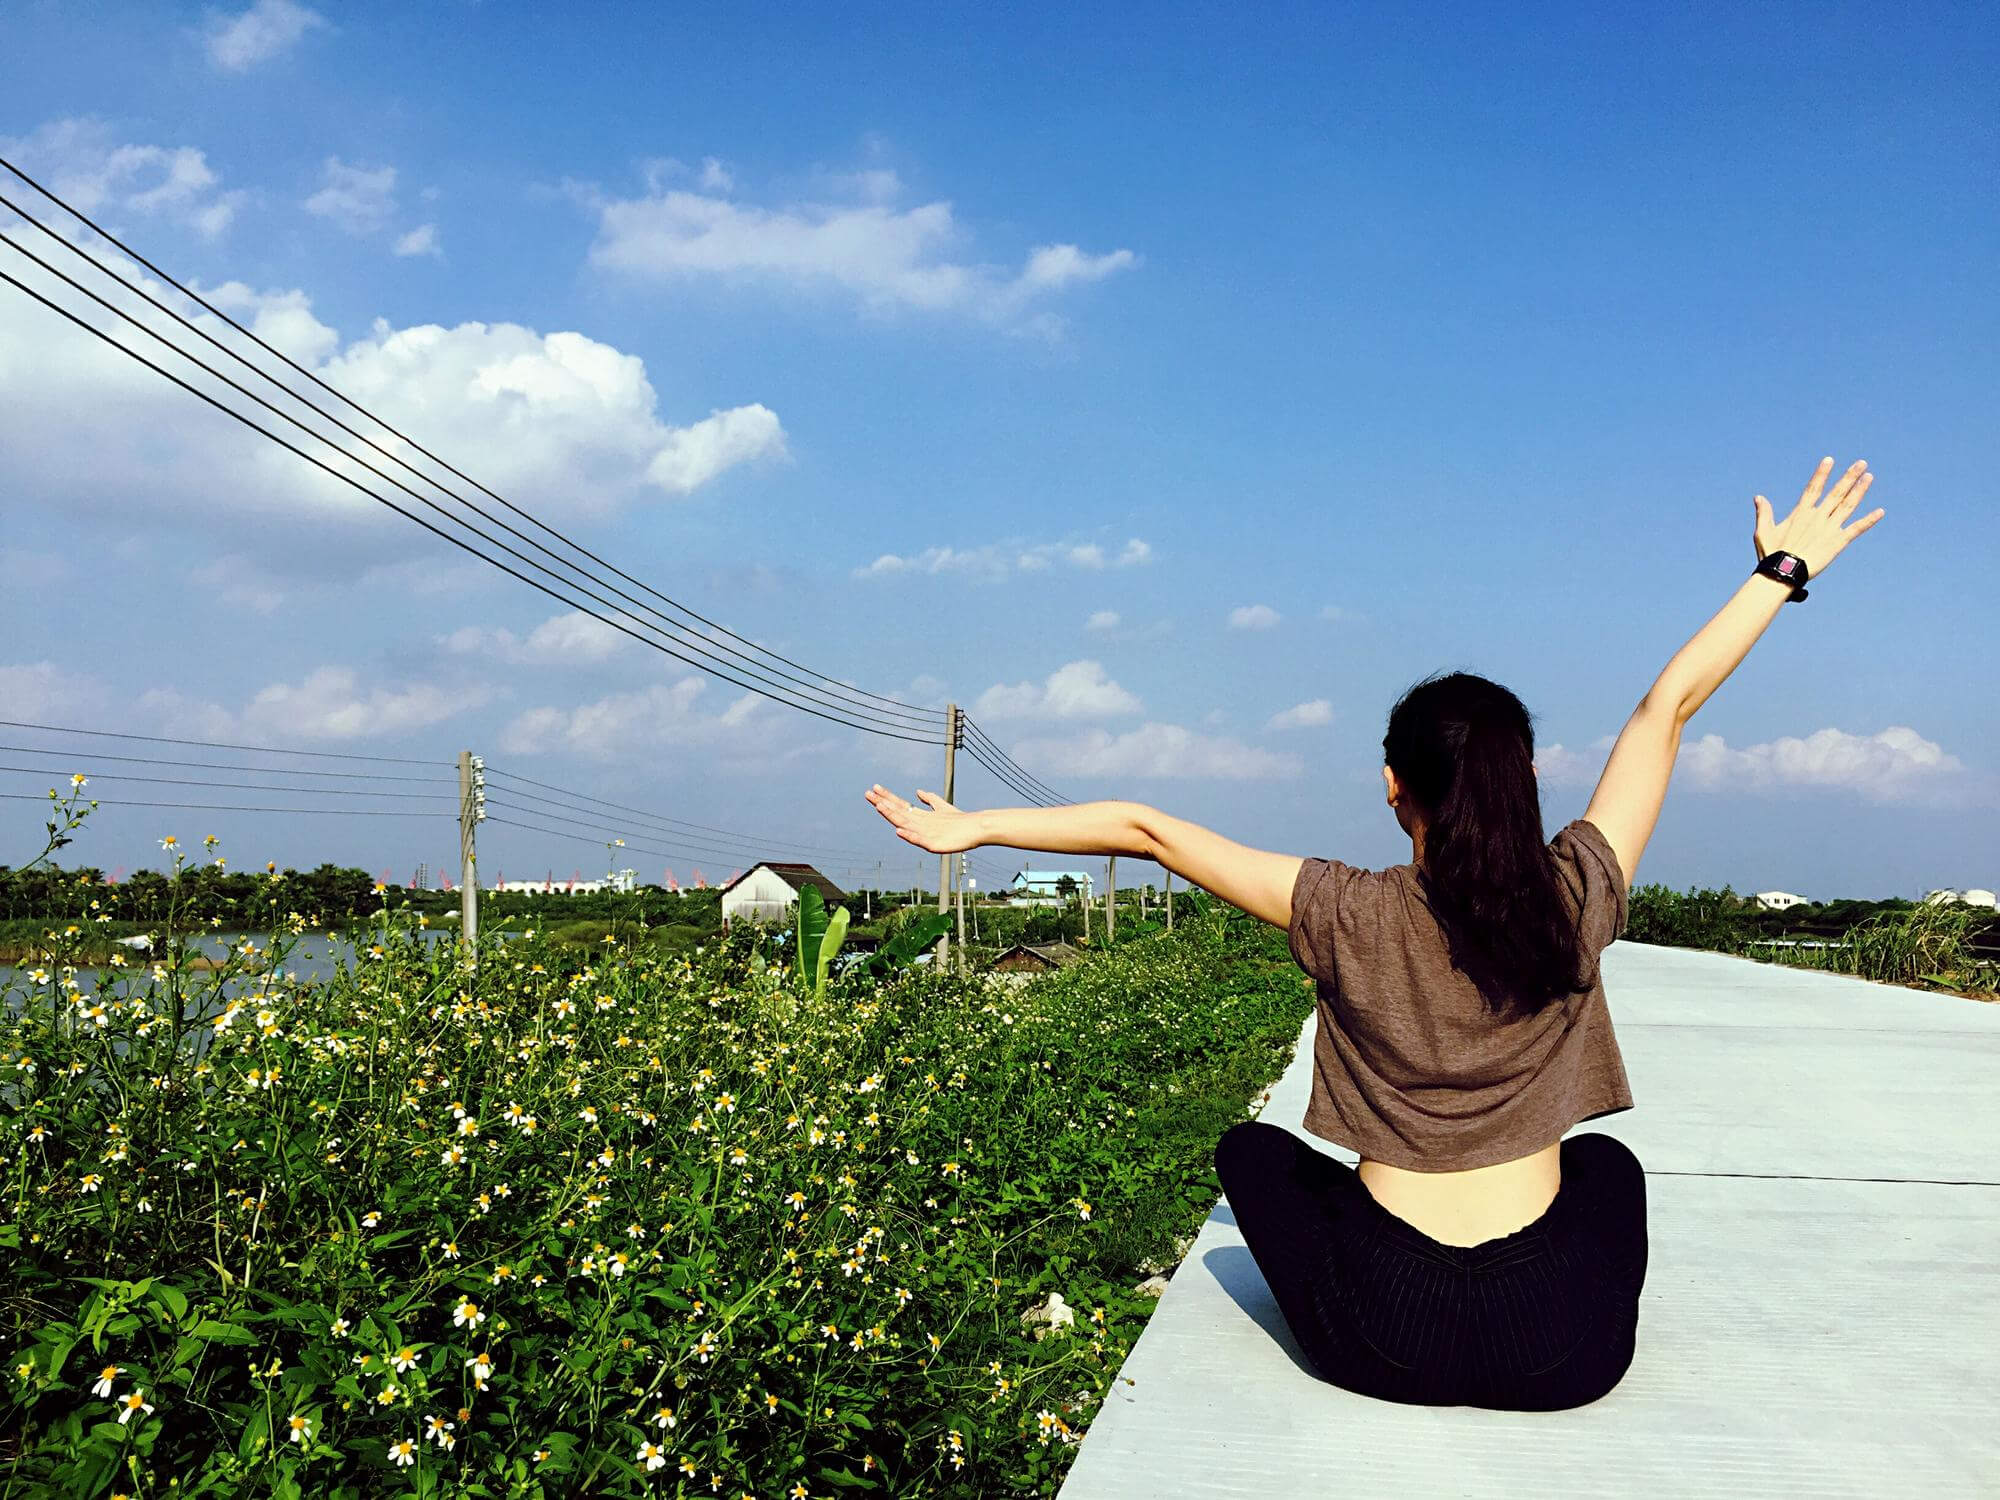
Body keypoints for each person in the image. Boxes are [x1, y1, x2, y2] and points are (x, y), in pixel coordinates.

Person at [864, 457, 1885, 1410]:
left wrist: (975, 827)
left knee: (1251, 1153)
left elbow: (1146, 830)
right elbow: (1666, 709)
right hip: (1564, 1349)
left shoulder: (1341, 908)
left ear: (1393, 787)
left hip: (1379, 1336)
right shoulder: (1578, 890)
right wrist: (1779, 572)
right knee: (1608, 1170)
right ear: (1525, 778)